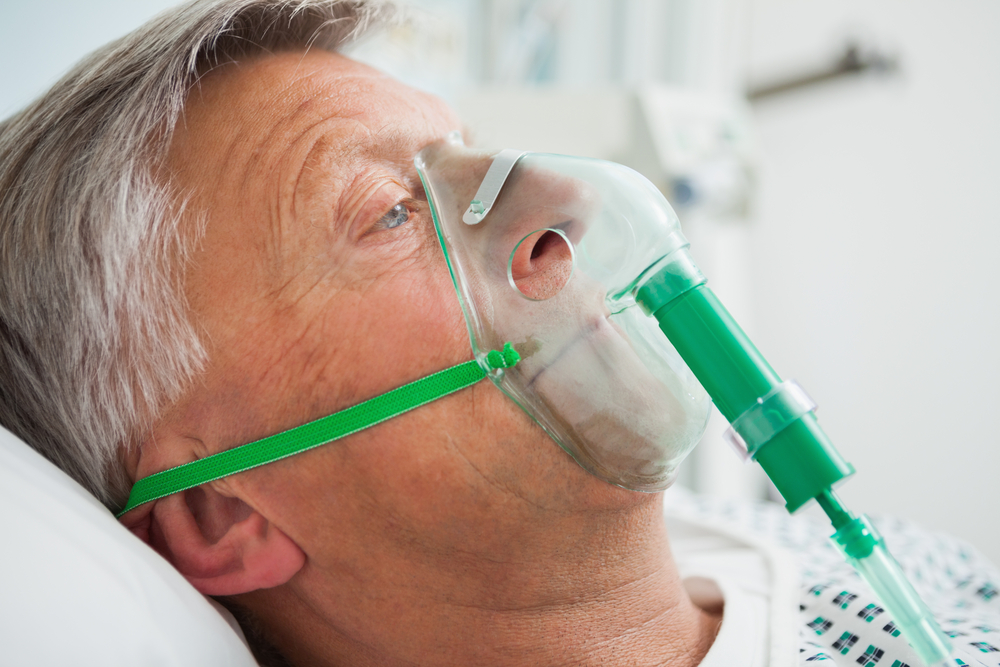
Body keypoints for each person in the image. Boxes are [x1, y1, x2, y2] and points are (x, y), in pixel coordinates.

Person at [1, 2, 997, 666]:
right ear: (220, 515)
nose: (566, 196)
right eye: (393, 211)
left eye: (468, 155)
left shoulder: (888, 560)